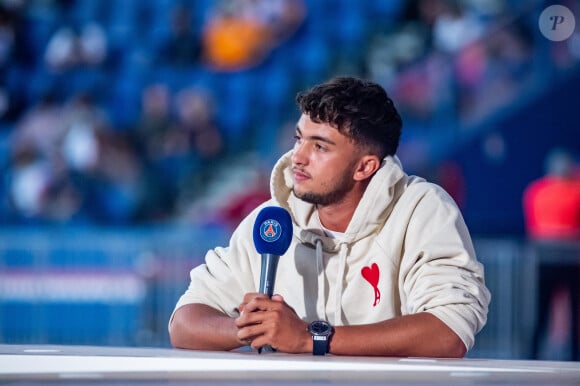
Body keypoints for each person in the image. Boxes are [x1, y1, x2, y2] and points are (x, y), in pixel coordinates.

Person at [169, 76, 490, 357]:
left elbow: (449, 332)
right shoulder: (271, 218)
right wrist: (254, 328)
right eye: (298, 139)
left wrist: (310, 338)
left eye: (320, 146)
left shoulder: (421, 208)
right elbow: (184, 323)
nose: (298, 157)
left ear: (365, 166)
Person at [522, 148, 580, 360]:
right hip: (572, 260)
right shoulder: (575, 191)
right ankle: (575, 355)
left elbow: (533, 224)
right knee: (574, 313)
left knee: (541, 312)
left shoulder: (536, 191)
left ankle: (532, 354)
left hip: (544, 259)